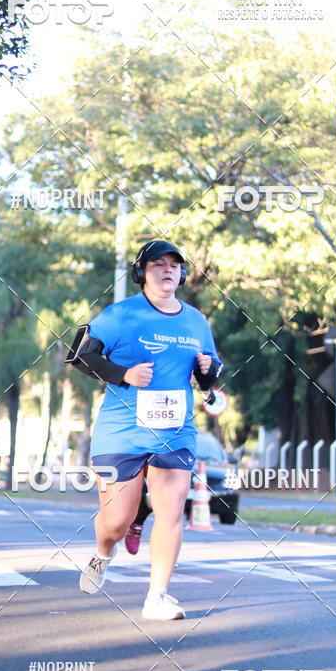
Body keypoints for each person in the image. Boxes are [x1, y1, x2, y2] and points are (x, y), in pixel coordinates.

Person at [70, 239, 222, 620]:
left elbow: (210, 374)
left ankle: (157, 596)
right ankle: (104, 553)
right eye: (158, 264)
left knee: (171, 512)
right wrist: (123, 374)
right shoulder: (120, 315)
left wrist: (206, 371)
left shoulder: (195, 321)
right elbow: (78, 355)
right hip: (121, 432)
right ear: (141, 272)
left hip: (175, 429)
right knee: (116, 521)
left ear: (182, 273)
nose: (168, 270)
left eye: (174, 265)